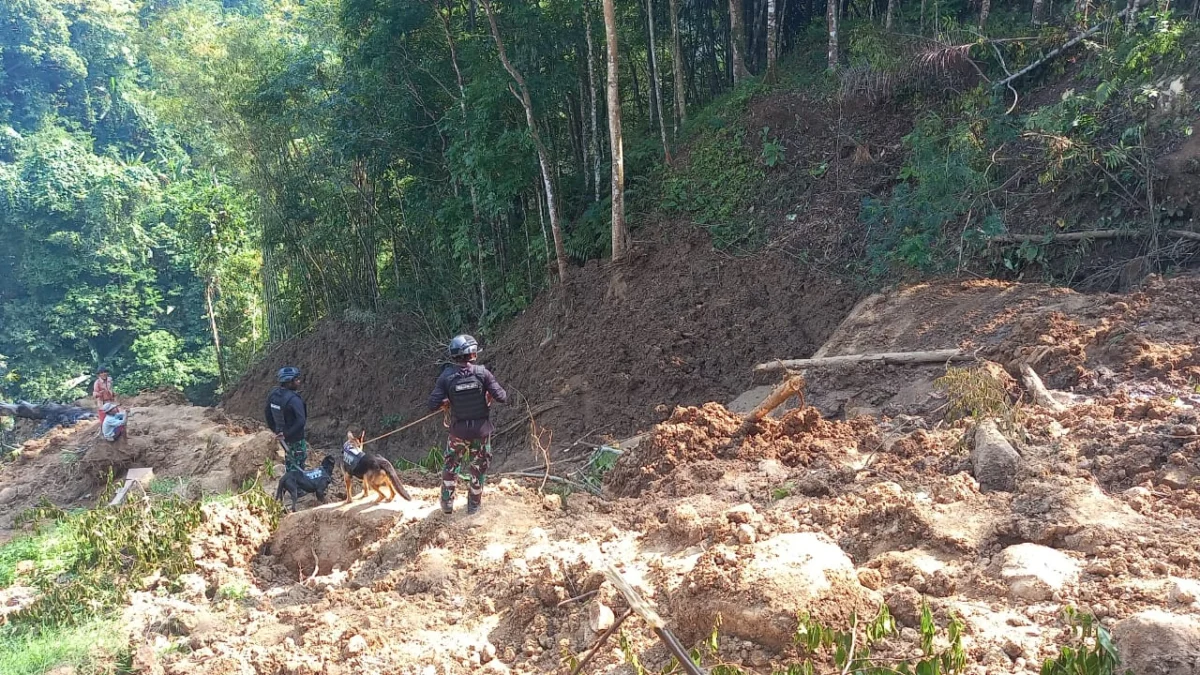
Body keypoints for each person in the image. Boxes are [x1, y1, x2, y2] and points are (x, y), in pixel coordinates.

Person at [427, 334, 508, 515]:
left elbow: (432, 404)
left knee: (451, 464)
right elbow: (502, 396)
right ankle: (474, 505)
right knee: (478, 467)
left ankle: (447, 502)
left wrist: (445, 402)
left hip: (458, 433)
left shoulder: (446, 377)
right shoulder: (482, 373)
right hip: (481, 432)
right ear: (472, 353)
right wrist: (487, 394)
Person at [265, 367, 308, 473]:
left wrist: (276, 430)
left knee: (289, 461)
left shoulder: (273, 394)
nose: (299, 381)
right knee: (297, 463)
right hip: (295, 439)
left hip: (282, 436)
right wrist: (286, 434)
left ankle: (291, 484)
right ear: (289, 382)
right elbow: (301, 421)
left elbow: (267, 413)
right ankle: (297, 488)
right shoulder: (294, 400)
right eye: (296, 380)